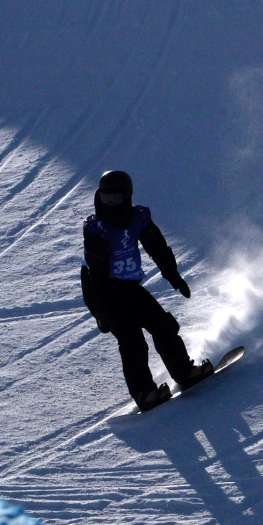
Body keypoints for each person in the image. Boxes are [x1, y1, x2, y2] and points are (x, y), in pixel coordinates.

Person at [80, 170, 212, 411]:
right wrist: (100, 311)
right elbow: (95, 274)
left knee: (163, 325)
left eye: (116, 199)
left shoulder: (138, 217)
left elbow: (157, 246)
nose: (110, 204)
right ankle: (145, 393)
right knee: (132, 342)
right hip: (105, 294)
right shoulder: (96, 229)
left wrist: (172, 274)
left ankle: (184, 373)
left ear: (127, 197)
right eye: (106, 198)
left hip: (129, 288)